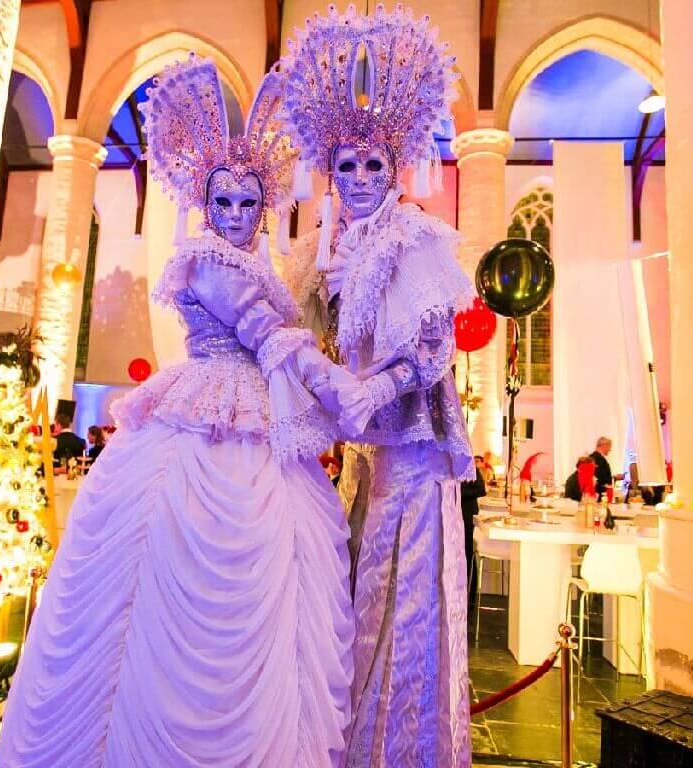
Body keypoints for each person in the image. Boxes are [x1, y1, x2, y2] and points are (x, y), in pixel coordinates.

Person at [0, 57, 356, 768]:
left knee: (271, 576)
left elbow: (288, 321)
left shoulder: (263, 265)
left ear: (265, 205)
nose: (235, 216)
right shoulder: (205, 261)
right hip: (202, 409)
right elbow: (261, 331)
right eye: (223, 202)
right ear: (204, 202)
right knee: (155, 571)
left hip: (261, 421)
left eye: (248, 203)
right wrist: (333, 385)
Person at [282, 7, 473, 764]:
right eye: (347, 167)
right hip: (366, 457)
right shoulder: (329, 248)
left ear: (395, 171)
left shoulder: (415, 239)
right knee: (360, 588)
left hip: (413, 456)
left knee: (404, 601)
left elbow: (431, 351)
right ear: (330, 173)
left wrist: (373, 391)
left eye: (373, 167)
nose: (360, 180)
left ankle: (401, 749)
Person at [461, 457, 487, 591]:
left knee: (468, 551)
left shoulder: (469, 465)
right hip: (455, 513)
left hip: (467, 513)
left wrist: (458, 492)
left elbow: (481, 490)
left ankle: (470, 591)